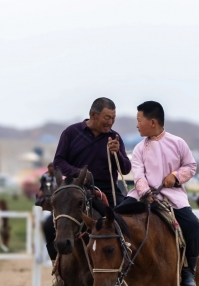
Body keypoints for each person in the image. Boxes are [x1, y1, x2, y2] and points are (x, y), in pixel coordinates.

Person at [48, 97, 131, 286]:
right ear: (93, 114)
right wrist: (78, 173)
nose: (110, 122)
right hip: (77, 188)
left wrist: (117, 152)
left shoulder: (114, 137)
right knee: (48, 225)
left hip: (107, 189)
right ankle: (58, 270)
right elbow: (59, 161)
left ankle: (126, 272)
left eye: (113, 118)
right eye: (107, 117)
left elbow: (125, 169)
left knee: (125, 221)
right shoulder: (71, 132)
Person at [119, 101, 199, 286]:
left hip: (173, 197)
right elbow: (138, 174)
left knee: (193, 226)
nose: (137, 124)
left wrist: (175, 175)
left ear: (153, 122)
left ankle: (189, 271)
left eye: (139, 120)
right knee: (114, 218)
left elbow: (191, 166)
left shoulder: (178, 143)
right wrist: (145, 191)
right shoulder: (139, 148)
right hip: (140, 196)